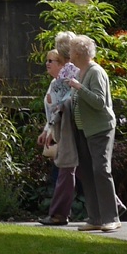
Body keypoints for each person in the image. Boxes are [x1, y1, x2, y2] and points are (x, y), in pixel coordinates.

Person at [63, 32, 123, 231]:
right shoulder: (80, 71)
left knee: (101, 170)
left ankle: (111, 217)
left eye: (71, 51)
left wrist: (79, 88)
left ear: (79, 53)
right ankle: (95, 218)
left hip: (100, 129)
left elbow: (99, 102)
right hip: (83, 130)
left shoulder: (95, 72)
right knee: (87, 172)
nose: (69, 54)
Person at [37, 44, 81, 225]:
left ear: (63, 64)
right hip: (59, 132)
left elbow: (61, 108)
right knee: (83, 171)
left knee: (64, 172)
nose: (47, 64)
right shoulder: (54, 84)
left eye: (51, 61)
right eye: (46, 60)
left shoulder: (63, 84)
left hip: (66, 133)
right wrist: (46, 129)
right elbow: (51, 112)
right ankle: (113, 204)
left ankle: (58, 214)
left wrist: (50, 130)